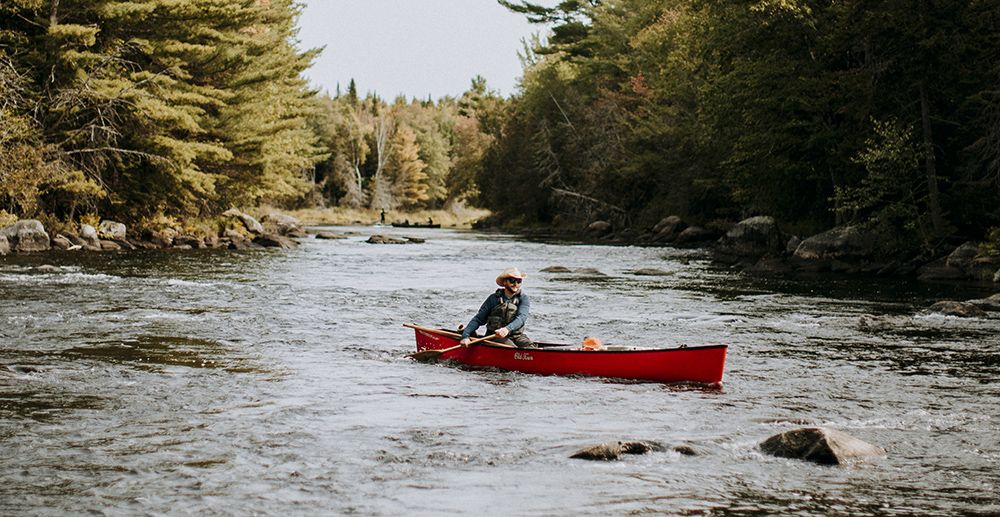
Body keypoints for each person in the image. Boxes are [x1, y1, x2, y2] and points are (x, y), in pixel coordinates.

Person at [459, 267, 535, 348]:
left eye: (519, 281)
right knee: (512, 348)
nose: (516, 284)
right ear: (505, 282)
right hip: (494, 336)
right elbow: (478, 319)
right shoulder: (493, 299)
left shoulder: (523, 298)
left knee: (531, 348)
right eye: (512, 280)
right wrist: (465, 336)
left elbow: (522, 317)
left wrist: (507, 329)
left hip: (516, 336)